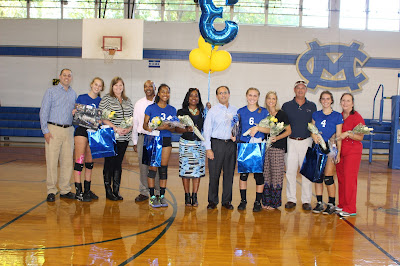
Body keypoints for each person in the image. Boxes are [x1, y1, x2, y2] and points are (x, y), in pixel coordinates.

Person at [40, 68, 77, 202]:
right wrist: (45, 131)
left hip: (69, 130)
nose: (67, 77)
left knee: (67, 162)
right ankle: (51, 190)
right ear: (60, 77)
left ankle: (65, 190)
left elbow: (75, 113)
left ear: (71, 78)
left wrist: (75, 113)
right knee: (52, 161)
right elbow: (43, 111)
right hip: (53, 129)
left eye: (69, 75)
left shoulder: (73, 94)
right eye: (64, 75)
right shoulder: (51, 92)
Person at [281, 80, 317, 211]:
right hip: (290, 141)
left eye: (303, 88)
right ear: (294, 90)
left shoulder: (312, 106)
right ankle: (291, 199)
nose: (300, 90)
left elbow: (313, 125)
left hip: (307, 141)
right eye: (298, 88)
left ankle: (306, 200)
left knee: (306, 172)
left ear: (306, 90)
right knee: (290, 171)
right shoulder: (287, 106)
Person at [99, 77, 133, 201]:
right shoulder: (107, 99)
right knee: (109, 163)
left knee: (118, 164)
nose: (118, 88)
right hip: (111, 136)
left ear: (123, 87)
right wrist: (115, 128)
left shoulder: (127, 101)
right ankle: (108, 192)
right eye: (116, 85)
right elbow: (103, 117)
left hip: (124, 138)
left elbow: (132, 118)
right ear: (112, 86)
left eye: (120, 85)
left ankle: (116, 191)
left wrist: (128, 129)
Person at [203, 86, 238, 210]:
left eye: (225, 93)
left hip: (230, 145)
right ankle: (212, 201)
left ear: (229, 94)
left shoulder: (235, 110)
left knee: (229, 174)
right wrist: (208, 148)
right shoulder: (213, 111)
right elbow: (206, 130)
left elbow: (238, 128)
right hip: (216, 144)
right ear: (217, 96)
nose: (223, 95)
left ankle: (226, 201)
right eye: (220, 93)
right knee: (214, 174)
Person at [143, 84, 177, 208]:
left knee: (163, 168)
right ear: (158, 93)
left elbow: (173, 129)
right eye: (163, 92)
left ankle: (162, 196)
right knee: (152, 169)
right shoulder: (151, 108)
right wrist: (158, 127)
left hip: (166, 139)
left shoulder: (172, 109)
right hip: (153, 139)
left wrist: (171, 126)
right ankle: (152, 196)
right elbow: (145, 126)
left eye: (167, 92)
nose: (165, 94)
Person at [236, 88, 269, 212]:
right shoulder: (241, 111)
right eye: (250, 95)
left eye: (255, 96)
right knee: (243, 176)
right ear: (246, 96)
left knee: (259, 176)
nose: (252, 98)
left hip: (258, 146)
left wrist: (259, 128)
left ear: (258, 97)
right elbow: (236, 128)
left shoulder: (264, 112)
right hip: (244, 145)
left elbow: (270, 130)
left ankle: (257, 202)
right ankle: (243, 201)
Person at [310, 91, 343, 215]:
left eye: (327, 99)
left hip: (330, 147)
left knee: (328, 177)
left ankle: (331, 203)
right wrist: (313, 136)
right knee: (318, 177)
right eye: (323, 99)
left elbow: (338, 135)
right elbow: (312, 130)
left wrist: (338, 153)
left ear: (331, 101)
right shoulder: (316, 114)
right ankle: (319, 202)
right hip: (318, 147)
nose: (325, 101)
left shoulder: (337, 116)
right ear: (320, 100)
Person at [73, 77, 104, 202]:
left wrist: (101, 121)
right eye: (95, 84)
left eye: (100, 85)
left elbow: (101, 119)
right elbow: (76, 114)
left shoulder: (101, 101)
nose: (97, 87)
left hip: (94, 132)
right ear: (91, 85)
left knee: (89, 163)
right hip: (81, 131)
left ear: (101, 88)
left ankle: (87, 191)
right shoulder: (81, 97)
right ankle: (78, 191)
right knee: (79, 161)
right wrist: (75, 112)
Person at [336, 93, 365, 217]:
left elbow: (360, 136)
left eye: (348, 101)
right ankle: (342, 204)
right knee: (341, 178)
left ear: (352, 103)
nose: (345, 103)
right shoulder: (340, 116)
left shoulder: (357, 117)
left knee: (349, 179)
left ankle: (350, 208)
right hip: (340, 151)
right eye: (343, 100)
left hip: (352, 151)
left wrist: (347, 134)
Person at [176, 88, 206, 207]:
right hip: (186, 145)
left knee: (197, 172)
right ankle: (187, 196)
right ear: (187, 98)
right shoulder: (181, 112)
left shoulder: (203, 111)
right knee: (186, 171)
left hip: (199, 145)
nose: (194, 98)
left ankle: (195, 195)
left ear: (199, 98)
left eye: (196, 96)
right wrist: (185, 129)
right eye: (191, 95)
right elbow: (176, 129)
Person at [132, 80, 160, 202]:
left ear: (155, 88)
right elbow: (135, 123)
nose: (148, 88)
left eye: (150, 86)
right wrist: (134, 141)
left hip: (156, 138)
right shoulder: (139, 103)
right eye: (146, 86)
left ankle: (157, 191)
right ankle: (144, 191)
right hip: (142, 138)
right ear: (144, 88)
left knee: (155, 166)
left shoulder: (160, 103)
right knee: (143, 166)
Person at [262, 91, 291, 210]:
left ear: (276, 100)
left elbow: (289, 131)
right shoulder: (264, 113)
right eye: (269, 98)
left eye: (273, 99)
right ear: (266, 100)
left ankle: (275, 202)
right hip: (265, 148)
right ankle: (266, 201)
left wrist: (276, 138)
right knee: (266, 175)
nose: (271, 101)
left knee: (276, 175)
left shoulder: (282, 114)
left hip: (277, 148)